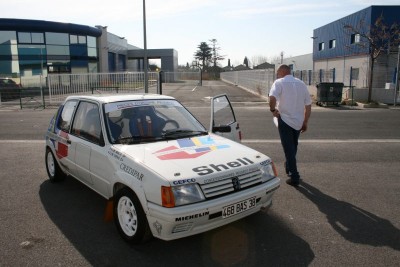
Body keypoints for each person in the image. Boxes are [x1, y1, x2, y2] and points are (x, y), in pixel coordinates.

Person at [269, 65, 312, 187]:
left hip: (285, 120)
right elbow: (308, 105)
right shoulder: (301, 84)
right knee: (293, 146)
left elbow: (272, 98)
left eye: (278, 72)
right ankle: (288, 166)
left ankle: (294, 176)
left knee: (288, 148)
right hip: (298, 122)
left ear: (283, 71)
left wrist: (272, 110)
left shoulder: (279, 83)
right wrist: (305, 121)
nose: (277, 74)